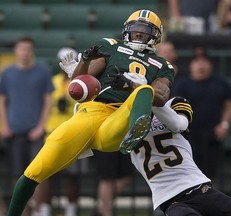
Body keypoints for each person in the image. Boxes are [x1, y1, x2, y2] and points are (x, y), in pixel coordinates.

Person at [6, 9, 174, 216]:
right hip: (91, 112)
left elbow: (162, 94)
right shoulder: (111, 47)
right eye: (136, 30)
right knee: (33, 171)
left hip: (121, 115)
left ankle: (136, 130)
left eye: (145, 31)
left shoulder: (162, 64)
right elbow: (78, 82)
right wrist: (84, 60)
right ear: (127, 31)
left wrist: (133, 85)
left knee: (144, 90)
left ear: (155, 36)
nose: (139, 34)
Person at [130, 96, 231, 216]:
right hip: (170, 199)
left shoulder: (172, 104)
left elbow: (178, 124)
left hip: (198, 188)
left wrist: (151, 101)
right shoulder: (124, 121)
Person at [0, 37, 54, 216]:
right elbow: (2, 100)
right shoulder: (7, 73)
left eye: (28, 49)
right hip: (14, 132)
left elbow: (48, 100)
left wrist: (40, 126)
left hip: (36, 133)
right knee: (17, 174)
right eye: (22, 49)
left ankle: (39, 210)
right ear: (16, 51)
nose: (25, 52)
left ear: (32, 51)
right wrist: (5, 125)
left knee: (39, 173)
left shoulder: (43, 71)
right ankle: (23, 212)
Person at [172, 47, 231, 181]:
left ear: (210, 65)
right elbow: (175, 107)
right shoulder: (182, 84)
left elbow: (229, 105)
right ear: (191, 65)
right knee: (189, 174)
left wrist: (224, 125)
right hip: (188, 137)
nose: (200, 65)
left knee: (210, 175)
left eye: (204, 61)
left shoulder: (220, 83)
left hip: (212, 136)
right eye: (197, 62)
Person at [45, 47, 90, 216]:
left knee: (73, 175)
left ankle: (71, 209)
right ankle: (44, 209)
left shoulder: (82, 82)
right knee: (47, 173)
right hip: (53, 130)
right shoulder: (52, 81)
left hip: (74, 130)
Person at [93, 151, 134, 216]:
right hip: (105, 145)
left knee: (127, 175)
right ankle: (105, 212)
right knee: (107, 179)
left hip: (118, 144)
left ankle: (101, 208)